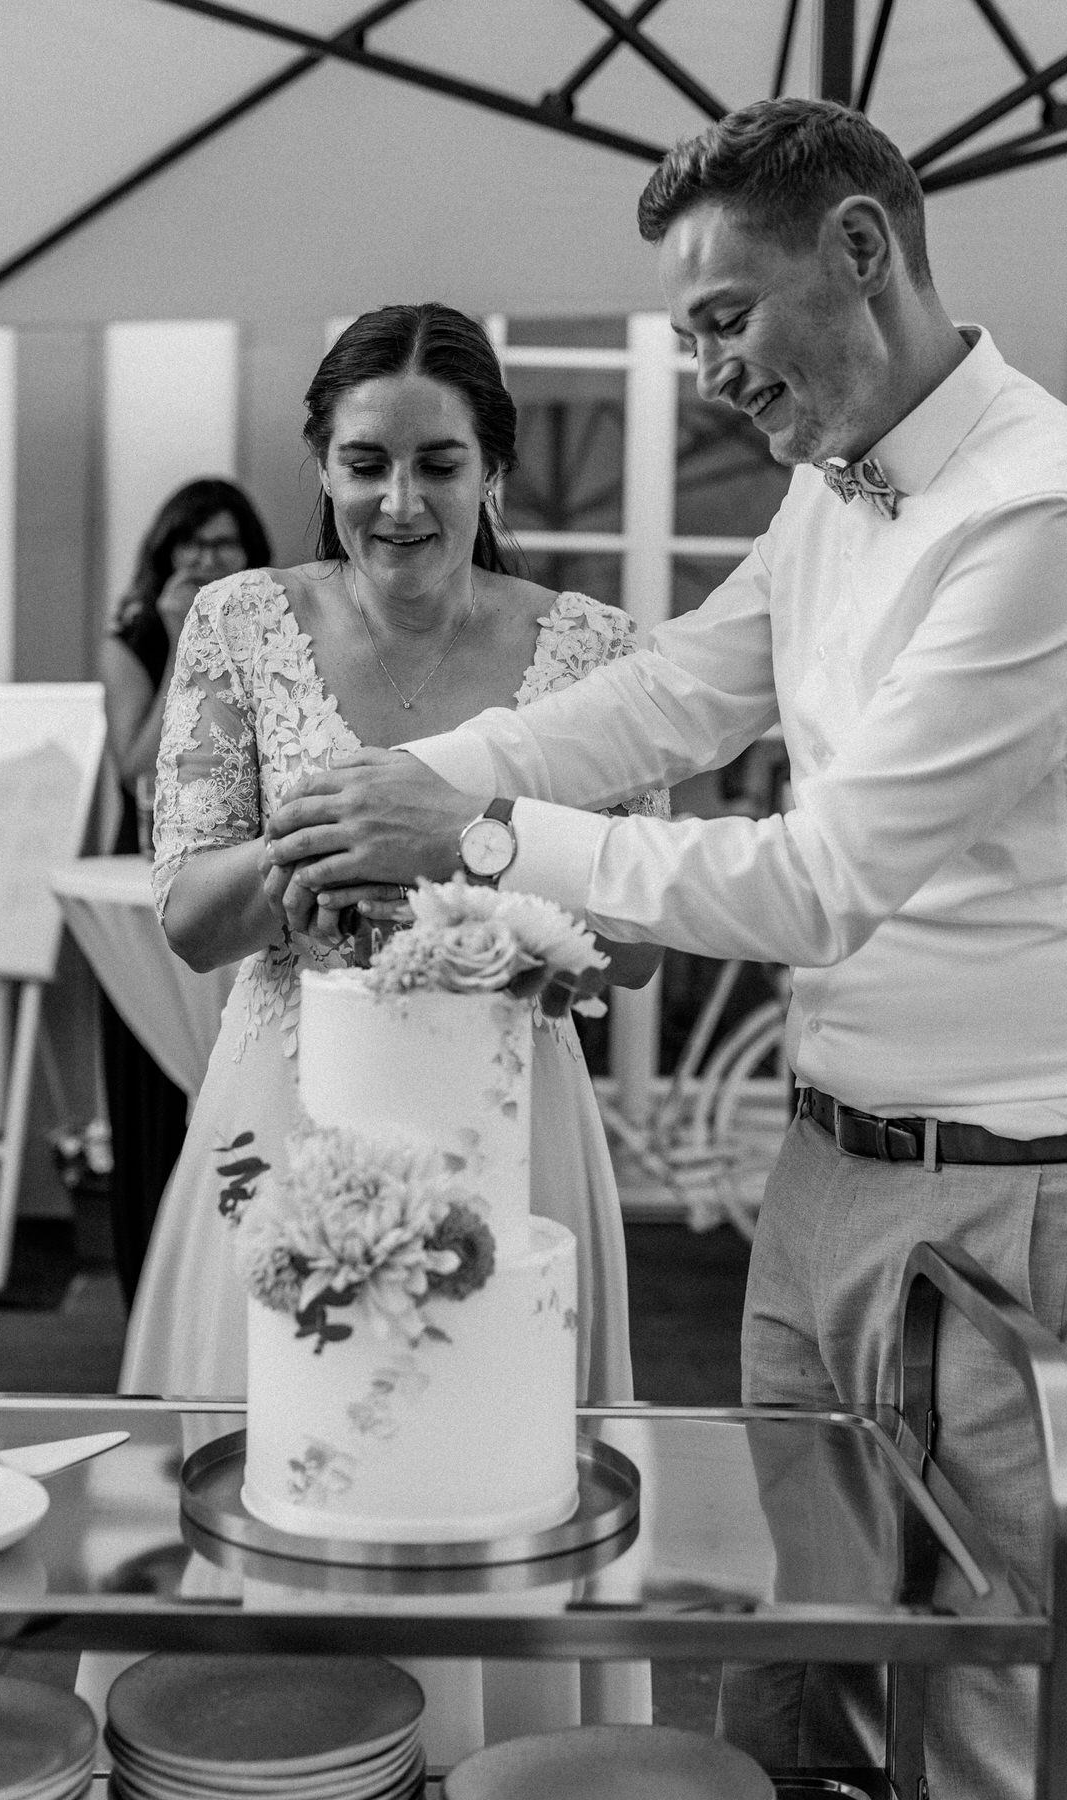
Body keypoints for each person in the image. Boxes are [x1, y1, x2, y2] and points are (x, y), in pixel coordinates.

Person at [261, 102, 1067, 1800]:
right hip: (821, 1168)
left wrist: (473, 836)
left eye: (723, 318)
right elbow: (667, 697)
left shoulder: (1034, 514)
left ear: (861, 250)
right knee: (794, 1655)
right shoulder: (833, 493)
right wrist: (406, 783)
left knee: (973, 1697)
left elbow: (819, 884)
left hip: (999, 1204)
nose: (708, 374)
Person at [119, 303, 664, 1746]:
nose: (400, 503)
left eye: (439, 463)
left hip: (510, 1128)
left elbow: (646, 941)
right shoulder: (241, 623)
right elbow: (190, 912)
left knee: (490, 1468)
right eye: (366, 464)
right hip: (282, 1111)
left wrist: (468, 852)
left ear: (496, 470)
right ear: (323, 463)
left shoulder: (596, 649)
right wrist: (317, 858)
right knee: (281, 1467)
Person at [98, 477, 272, 1306]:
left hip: (243, 868)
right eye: (192, 543)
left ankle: (241, 1280)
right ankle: (156, 1287)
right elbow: (137, 762)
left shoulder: (273, 628)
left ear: (250, 552)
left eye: (224, 543)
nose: (206, 558)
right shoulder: (131, 636)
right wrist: (181, 639)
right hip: (155, 862)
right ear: (165, 551)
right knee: (153, 1087)